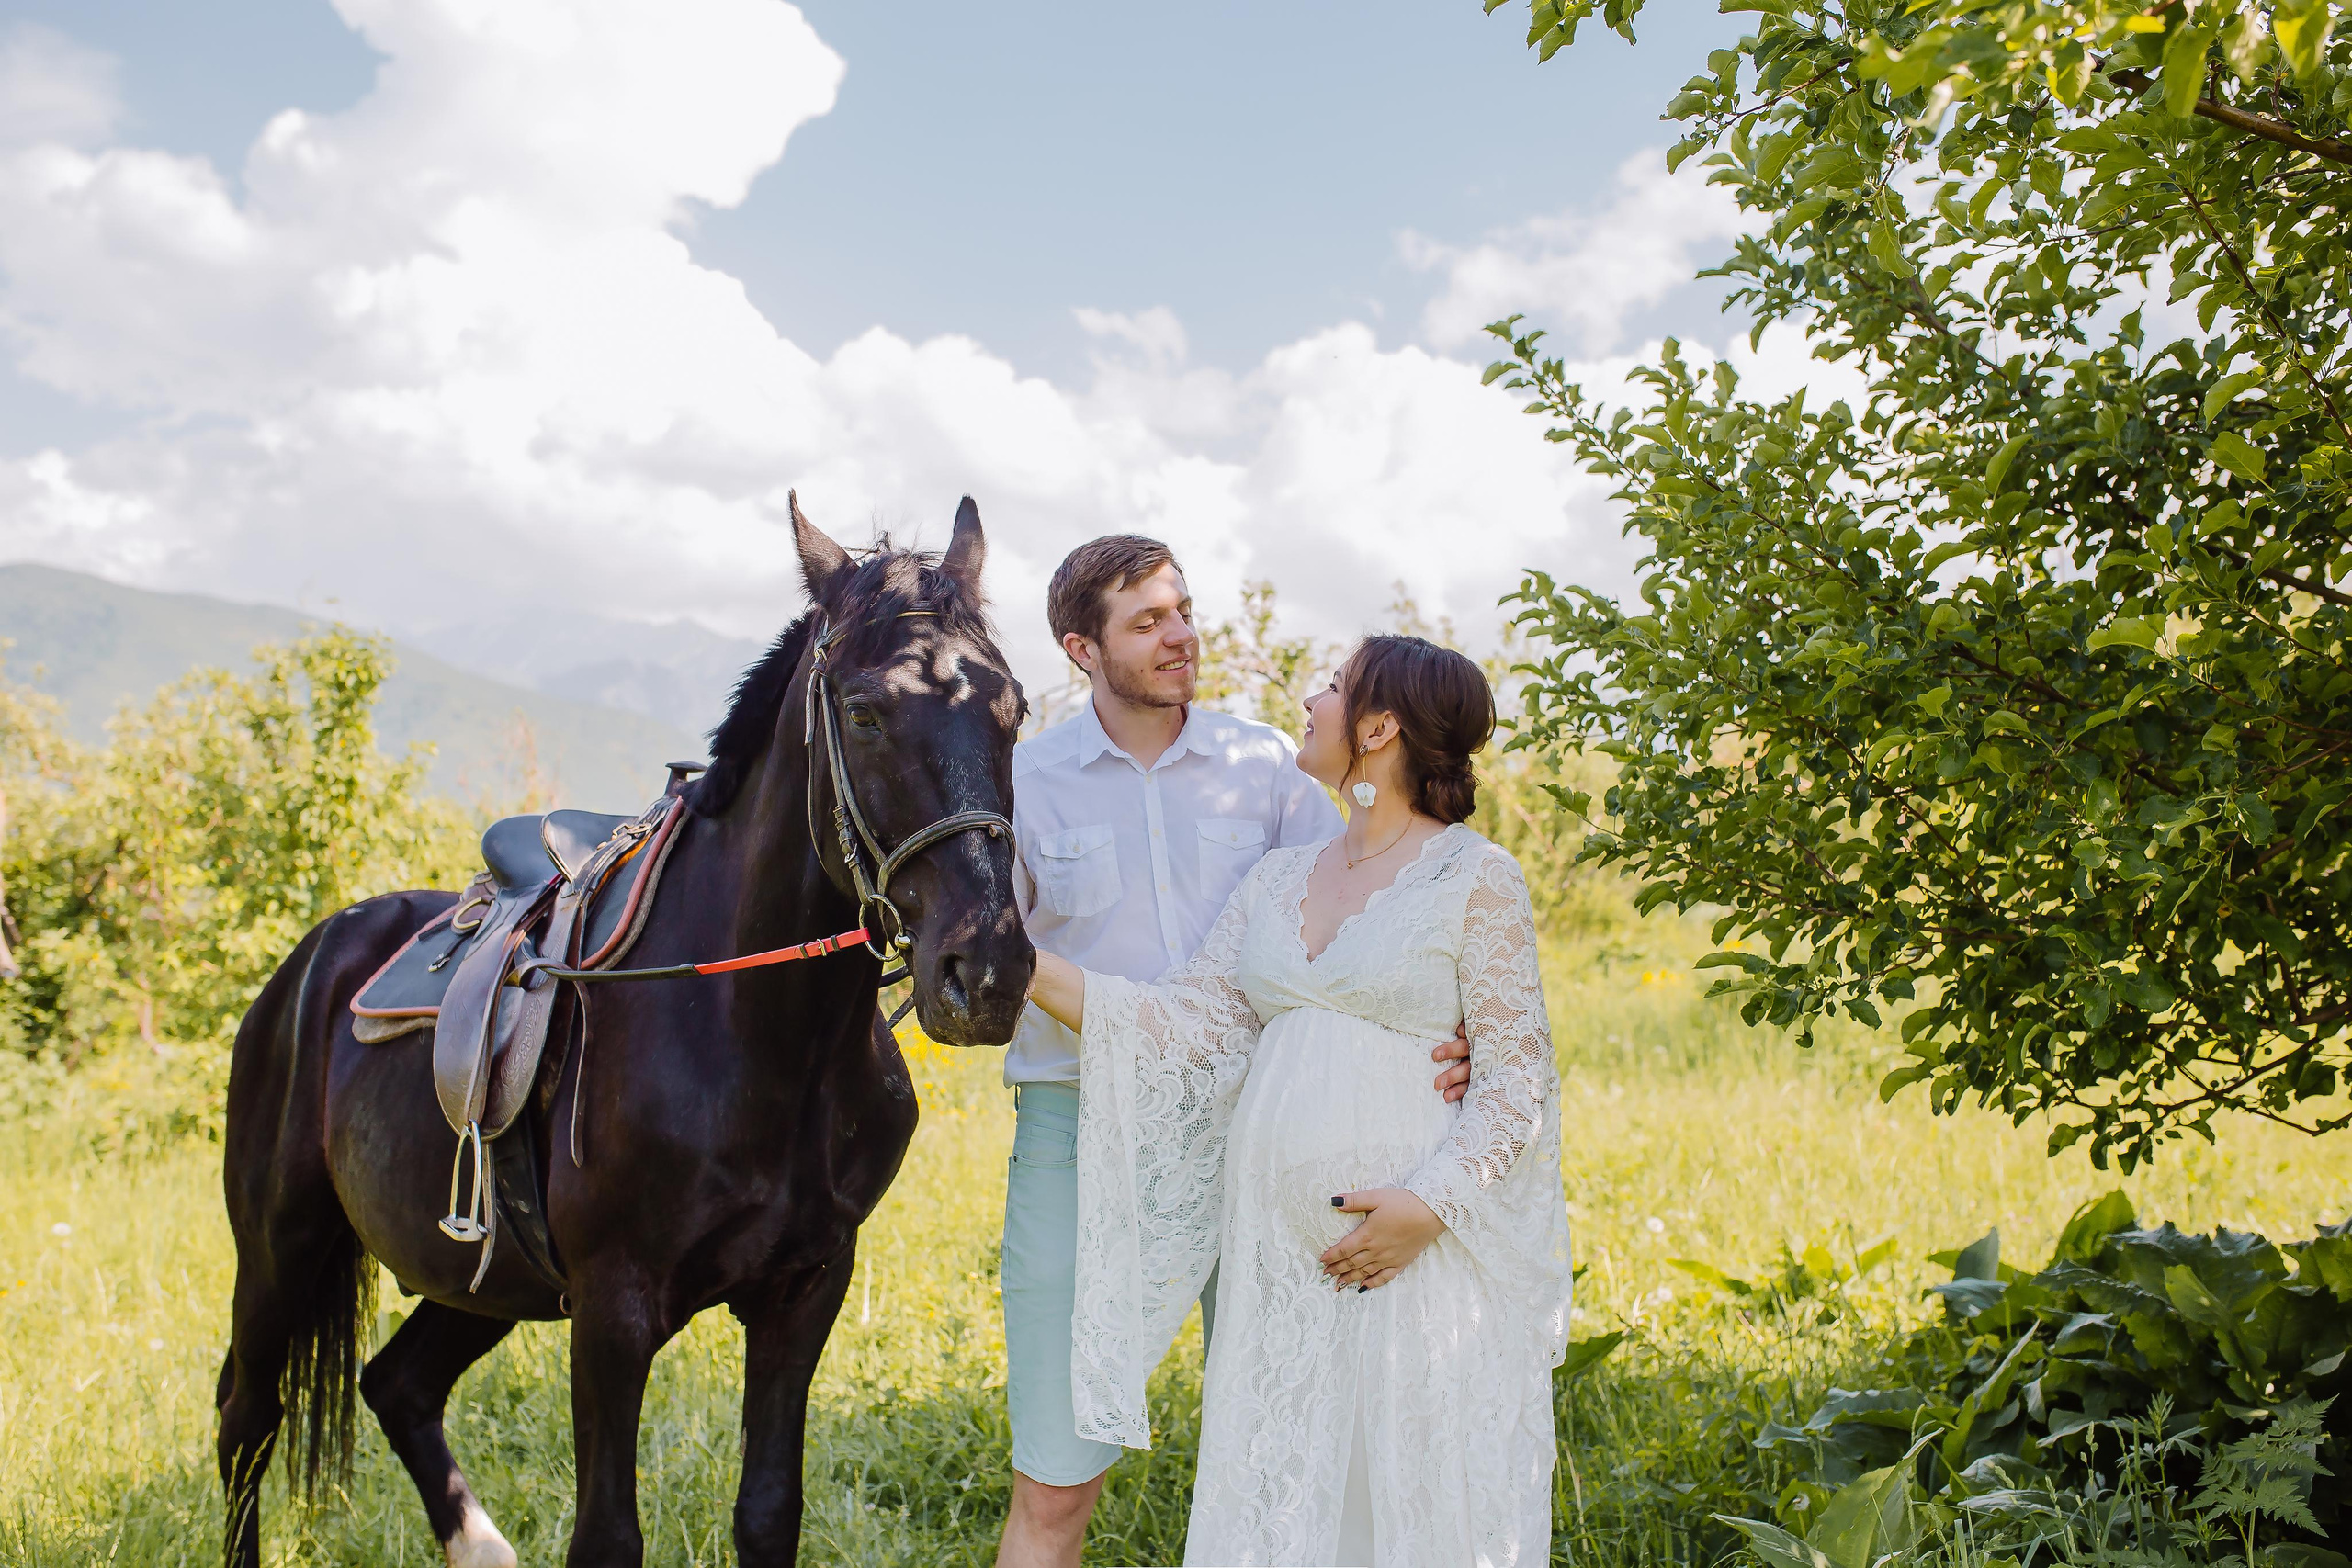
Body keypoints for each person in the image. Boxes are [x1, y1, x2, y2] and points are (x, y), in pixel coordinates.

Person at [1025, 633, 1571, 1567]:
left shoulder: (1475, 875)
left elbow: (1518, 1076)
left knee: (1401, 1475)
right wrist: (1014, 957)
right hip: (1277, 1258)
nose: (1308, 703)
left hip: (1406, 1245)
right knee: (1290, 1477)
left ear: (1380, 724)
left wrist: (1427, 1207)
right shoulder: (1278, 878)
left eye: (1329, 687)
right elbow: (1189, 1022)